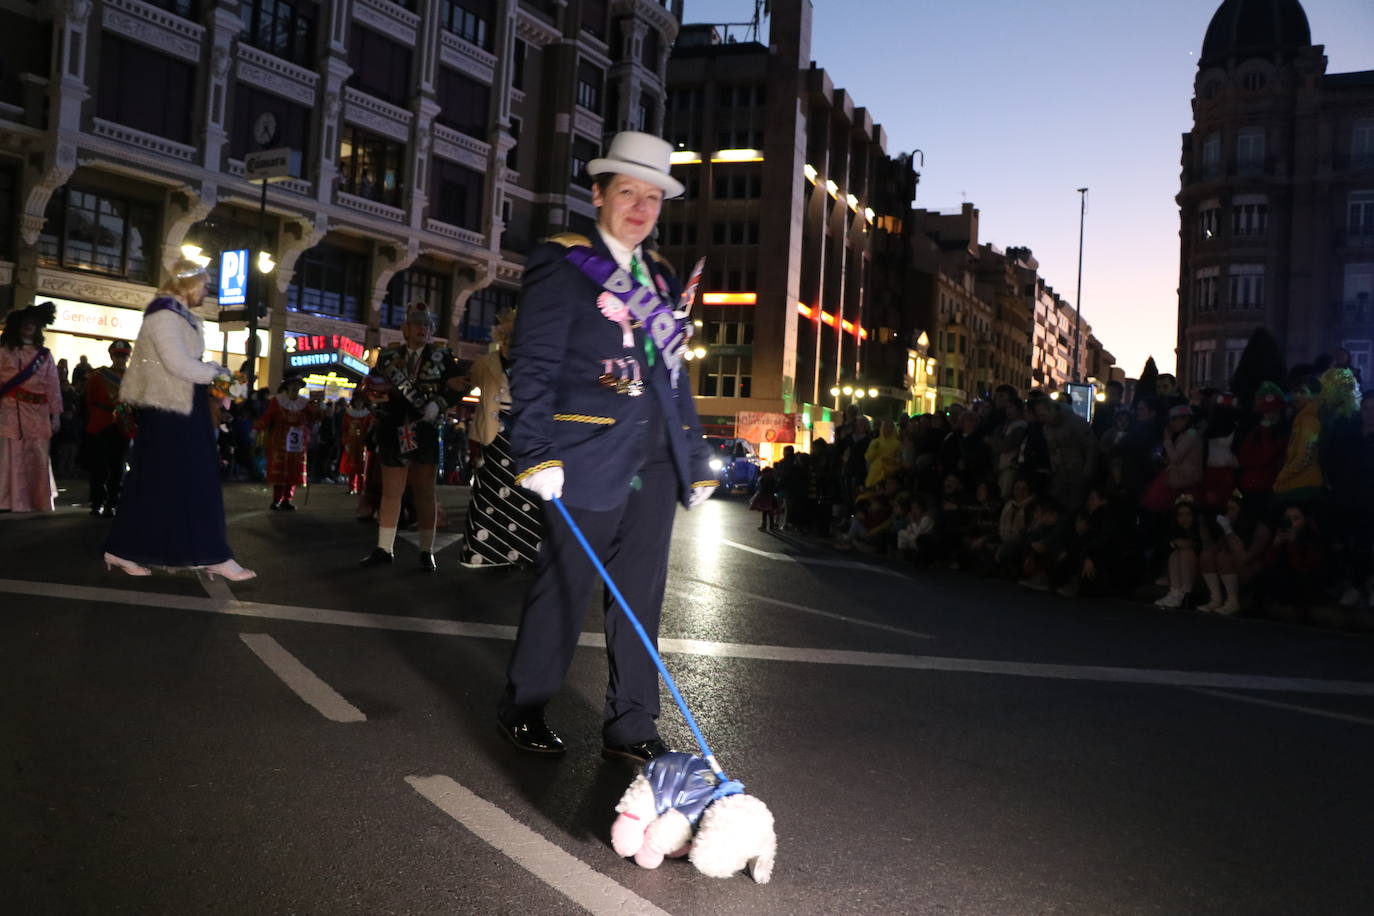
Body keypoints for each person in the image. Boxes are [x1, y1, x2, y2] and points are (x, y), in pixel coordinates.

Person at [497, 131, 715, 762]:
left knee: (641, 595)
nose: (642, 208)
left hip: (650, 456)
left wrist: (694, 456)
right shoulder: (564, 261)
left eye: (653, 197)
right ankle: (527, 703)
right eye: (629, 193)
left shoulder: (663, 276)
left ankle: (631, 721)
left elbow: (673, 376)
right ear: (598, 194)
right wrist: (534, 450)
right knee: (565, 584)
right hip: (583, 452)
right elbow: (533, 364)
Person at [102, 258, 254, 580]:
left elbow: (186, 363)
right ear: (190, 284)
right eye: (204, 284)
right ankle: (211, 554)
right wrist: (219, 374)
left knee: (160, 482)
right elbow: (178, 365)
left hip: (183, 406)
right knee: (191, 481)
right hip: (172, 410)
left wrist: (218, 375)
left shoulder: (177, 315)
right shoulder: (164, 315)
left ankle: (123, 549)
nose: (208, 290)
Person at [361, 302, 471, 571]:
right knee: (392, 492)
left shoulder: (442, 357)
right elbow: (371, 385)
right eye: (418, 324)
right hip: (393, 428)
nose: (423, 329)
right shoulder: (388, 358)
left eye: (427, 325)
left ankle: (426, 551)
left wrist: (439, 404)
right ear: (405, 329)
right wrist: (375, 396)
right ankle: (384, 548)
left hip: (426, 429)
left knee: (424, 492)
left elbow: (460, 385)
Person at [459, 309, 543, 569]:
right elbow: (466, 382)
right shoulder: (485, 363)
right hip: (494, 435)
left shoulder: (535, 363)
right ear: (502, 335)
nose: (512, 339)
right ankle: (486, 552)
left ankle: (526, 553)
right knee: (490, 494)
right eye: (508, 334)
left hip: (523, 435)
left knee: (525, 494)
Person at [0, 301, 62, 512]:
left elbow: (53, 386)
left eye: (32, 323)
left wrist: (56, 416)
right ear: (17, 326)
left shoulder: (45, 355)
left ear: (37, 327)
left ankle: (38, 500)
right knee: (12, 455)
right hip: (10, 411)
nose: (28, 326)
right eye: (25, 322)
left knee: (37, 455)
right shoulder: (4, 352)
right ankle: (9, 501)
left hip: (38, 413)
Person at [83, 340, 134, 517]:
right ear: (111, 356)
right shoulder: (99, 376)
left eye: (124, 356)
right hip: (101, 424)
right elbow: (89, 400)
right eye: (118, 356)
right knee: (99, 466)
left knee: (118, 466)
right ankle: (97, 502)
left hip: (122, 425)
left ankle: (113, 502)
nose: (121, 359)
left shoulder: (133, 378)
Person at [254, 376, 317, 510]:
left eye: (298, 385)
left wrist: (319, 407)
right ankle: (277, 499)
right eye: (293, 384)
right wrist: (257, 428)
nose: (295, 387)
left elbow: (314, 418)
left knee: (293, 470)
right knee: (280, 470)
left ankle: (287, 499)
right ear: (287, 386)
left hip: (298, 442)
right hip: (280, 441)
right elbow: (267, 417)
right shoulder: (277, 401)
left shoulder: (304, 403)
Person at [338, 391, 372, 496]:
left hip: (362, 443)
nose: (358, 403)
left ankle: (361, 487)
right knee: (351, 466)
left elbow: (369, 430)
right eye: (357, 401)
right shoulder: (348, 414)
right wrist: (346, 442)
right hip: (351, 443)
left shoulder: (368, 415)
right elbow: (344, 429)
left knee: (361, 467)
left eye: (361, 401)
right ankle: (351, 487)